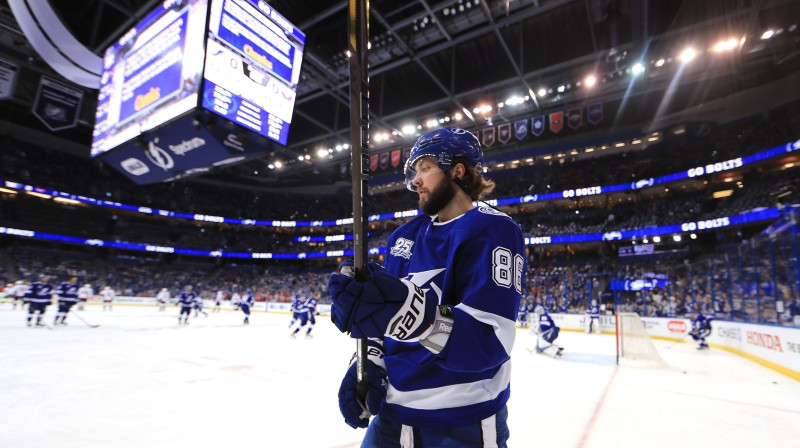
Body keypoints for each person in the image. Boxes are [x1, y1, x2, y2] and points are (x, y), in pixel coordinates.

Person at [328, 128, 525, 447]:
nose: (415, 180)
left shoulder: (493, 230)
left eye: (425, 168)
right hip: (391, 417)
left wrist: (411, 314)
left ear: (457, 171)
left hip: (461, 420)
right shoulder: (402, 238)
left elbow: (489, 342)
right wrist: (368, 361)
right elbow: (383, 320)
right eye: (414, 171)